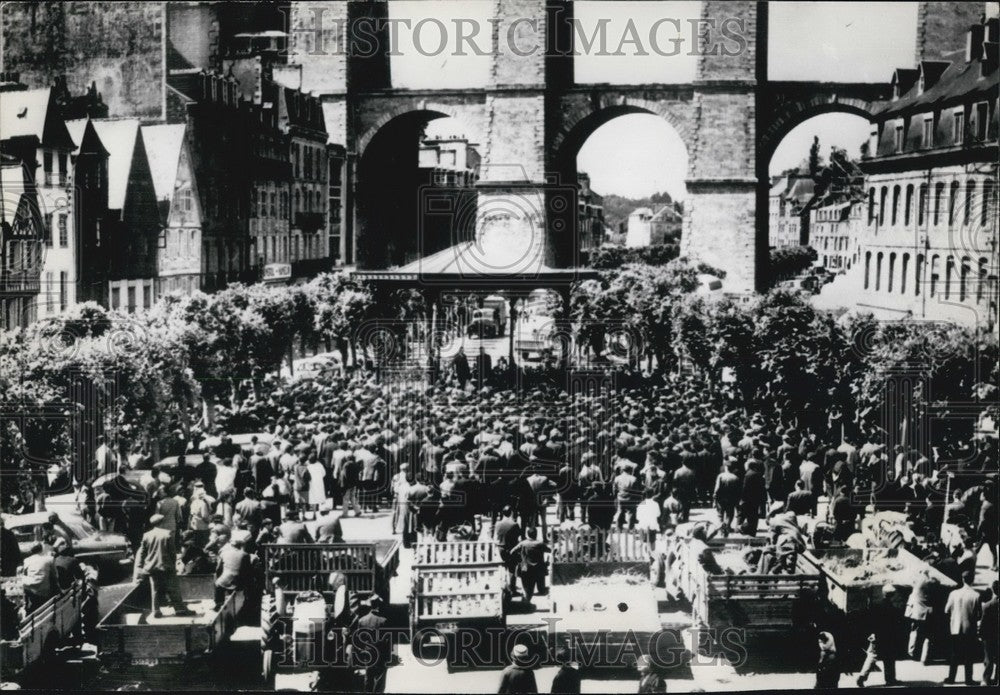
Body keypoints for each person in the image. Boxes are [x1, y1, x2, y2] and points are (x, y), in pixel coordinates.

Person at [134, 514, 195, 618]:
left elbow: (142, 553)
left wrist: (140, 566)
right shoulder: (167, 534)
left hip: (151, 567)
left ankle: (156, 611)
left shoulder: (146, 535)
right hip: (166, 566)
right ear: (162, 522)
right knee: (173, 589)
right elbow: (172, 552)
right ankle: (180, 610)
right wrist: (173, 565)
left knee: (155, 590)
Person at [856, 585, 900, 687]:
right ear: (893, 595)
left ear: (883, 593)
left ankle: (862, 676)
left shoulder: (877, 606)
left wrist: (872, 633)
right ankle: (890, 679)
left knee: (872, 656)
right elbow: (895, 626)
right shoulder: (893, 609)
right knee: (889, 658)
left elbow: (872, 621)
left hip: (877, 635)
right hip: (888, 637)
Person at [944, 570, 983, 685]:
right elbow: (979, 615)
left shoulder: (953, 593)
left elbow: (946, 610)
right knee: (969, 655)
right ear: (972, 580)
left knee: (955, 654)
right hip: (969, 629)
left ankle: (951, 678)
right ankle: (968, 680)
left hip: (955, 627)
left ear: (963, 579)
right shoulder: (976, 595)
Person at [351, 594, 391, 693]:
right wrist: (388, 657)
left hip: (368, 655)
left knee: (368, 677)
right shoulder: (384, 621)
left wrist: (360, 653)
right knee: (380, 678)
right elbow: (387, 641)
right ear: (379, 605)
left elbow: (358, 640)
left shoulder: (362, 620)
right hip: (380, 654)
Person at [511, 527, 549, 603]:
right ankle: (541, 590)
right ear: (536, 534)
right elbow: (549, 550)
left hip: (525, 569)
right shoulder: (540, 544)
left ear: (527, 534)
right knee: (541, 588)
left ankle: (526, 601)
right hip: (538, 569)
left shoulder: (523, 543)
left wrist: (520, 559)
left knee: (528, 590)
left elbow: (512, 552)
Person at [19, 542, 57, 614]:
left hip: (30, 588)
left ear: (31, 551)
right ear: (41, 549)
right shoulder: (49, 559)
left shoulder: (27, 560)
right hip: (43, 590)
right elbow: (54, 575)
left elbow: (24, 574)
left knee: (23, 579)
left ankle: (25, 606)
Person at [214, 536, 250, 611]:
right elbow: (247, 570)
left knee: (218, 584)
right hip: (238, 581)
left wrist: (219, 578)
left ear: (232, 545)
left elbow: (218, 569)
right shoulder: (245, 554)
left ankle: (218, 604)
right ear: (241, 546)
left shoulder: (224, 553)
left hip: (225, 580)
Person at [495, 505, 523, 594]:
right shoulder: (514, 524)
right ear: (511, 513)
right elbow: (519, 538)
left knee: (504, 567)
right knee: (512, 569)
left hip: (500, 549)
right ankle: (512, 589)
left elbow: (496, 537)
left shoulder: (498, 524)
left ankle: (504, 587)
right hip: (511, 550)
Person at [980, 579, 999, 686]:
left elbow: (983, 623)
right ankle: (997, 679)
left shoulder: (987, 606)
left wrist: (981, 635)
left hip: (989, 636)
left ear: (993, 590)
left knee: (989, 659)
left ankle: (986, 680)